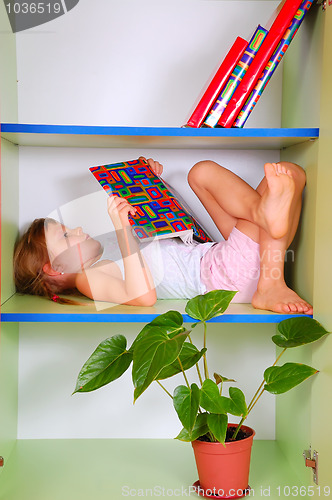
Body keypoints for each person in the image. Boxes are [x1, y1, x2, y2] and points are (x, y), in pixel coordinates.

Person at [13, 157, 313, 314]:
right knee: (287, 173)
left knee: (205, 172)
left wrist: (147, 185)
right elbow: (144, 297)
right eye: (66, 236)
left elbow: (165, 238)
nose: (77, 229)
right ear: (56, 269)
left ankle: (264, 215)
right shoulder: (86, 278)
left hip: (219, 258)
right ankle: (271, 282)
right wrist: (121, 228)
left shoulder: (104, 256)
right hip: (224, 275)